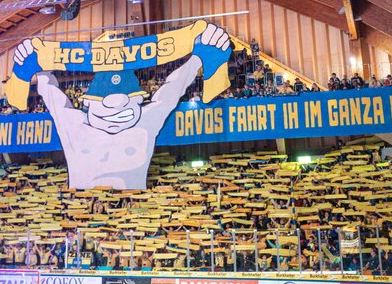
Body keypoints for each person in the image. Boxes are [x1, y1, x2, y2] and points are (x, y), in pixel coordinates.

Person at [13, 23, 231, 190]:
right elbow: (50, 93)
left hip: (132, 204)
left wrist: (200, 56)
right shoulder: (75, 124)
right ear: (88, 103)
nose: (115, 109)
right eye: (107, 103)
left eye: (124, 102)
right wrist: (34, 62)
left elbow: (174, 87)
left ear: (138, 101)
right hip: (81, 203)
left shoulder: (144, 120)